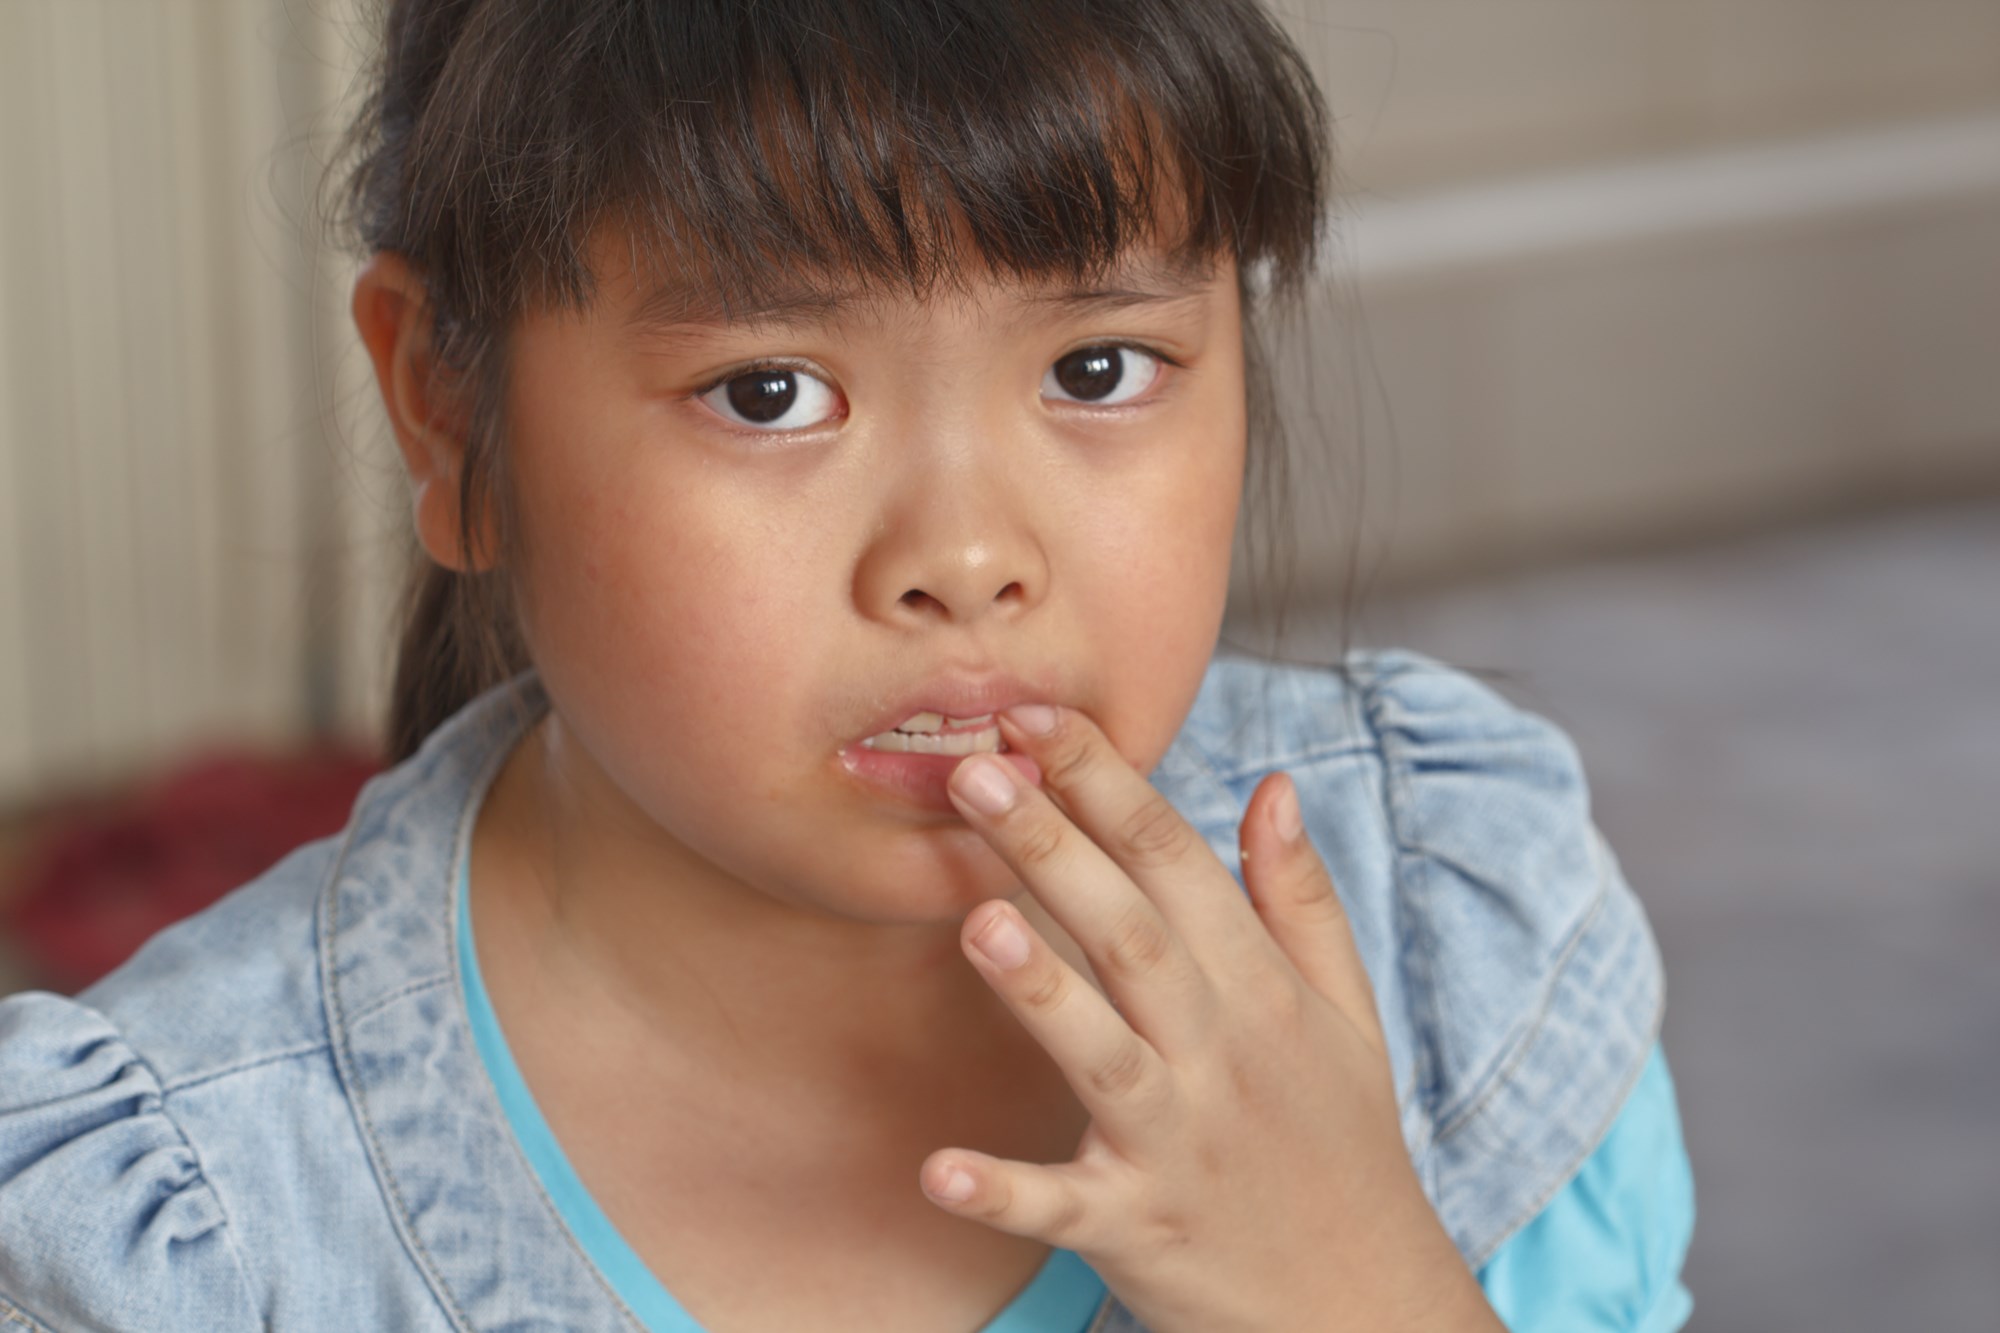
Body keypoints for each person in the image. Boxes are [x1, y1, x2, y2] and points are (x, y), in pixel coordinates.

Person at [0, 1, 1693, 1329]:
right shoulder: (191, 1232)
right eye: (769, 393)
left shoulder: (1450, 926)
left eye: (1100, 367)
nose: (967, 555)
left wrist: (1362, 1289)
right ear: (447, 408)